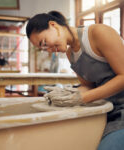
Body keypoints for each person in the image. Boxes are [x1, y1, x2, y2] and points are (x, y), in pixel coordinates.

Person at [26, 10, 124, 150]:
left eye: (44, 42)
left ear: (53, 25)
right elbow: (89, 86)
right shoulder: (70, 53)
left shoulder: (98, 33)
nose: (47, 50)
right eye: (42, 48)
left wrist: (82, 98)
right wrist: (68, 93)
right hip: (109, 108)